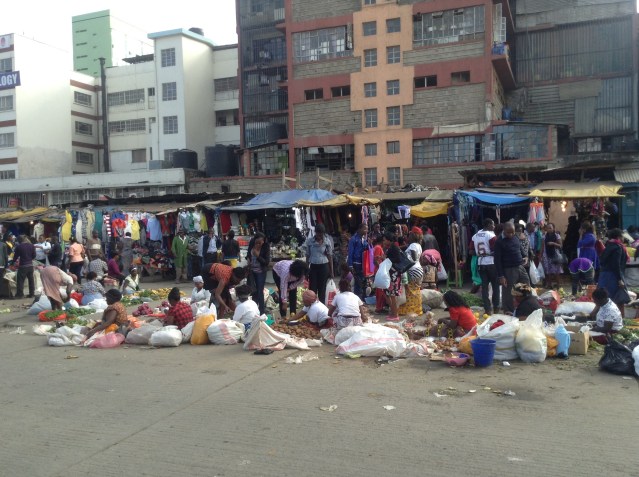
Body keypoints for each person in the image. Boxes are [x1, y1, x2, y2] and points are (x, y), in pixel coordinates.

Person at [494, 222, 529, 314]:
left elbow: (520, 247)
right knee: (509, 292)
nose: (511, 234)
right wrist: (501, 276)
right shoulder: (499, 241)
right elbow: (497, 260)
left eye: (512, 232)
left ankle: (524, 307)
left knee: (525, 286)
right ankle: (508, 311)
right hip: (508, 270)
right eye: (508, 232)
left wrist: (525, 256)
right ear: (504, 231)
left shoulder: (515, 237)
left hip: (520, 267)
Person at [472, 219, 499, 314]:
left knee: (484, 287)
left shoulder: (475, 236)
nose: (494, 226)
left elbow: (471, 251)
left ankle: (487, 309)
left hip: (480, 263)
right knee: (495, 286)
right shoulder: (491, 236)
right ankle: (496, 308)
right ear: (488, 225)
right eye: (493, 224)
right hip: (491, 263)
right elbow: (496, 250)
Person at [305, 223, 334, 305]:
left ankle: (321, 307)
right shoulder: (310, 241)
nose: (319, 235)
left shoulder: (327, 241)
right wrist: (306, 271)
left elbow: (330, 256)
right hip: (313, 267)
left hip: (324, 267)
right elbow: (307, 256)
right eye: (318, 233)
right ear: (315, 232)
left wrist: (331, 271)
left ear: (323, 233)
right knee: (312, 289)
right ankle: (312, 306)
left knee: (322, 289)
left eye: (321, 233)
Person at [598, 229, 628, 306]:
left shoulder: (608, 246)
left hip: (604, 275)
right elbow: (616, 264)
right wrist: (619, 279)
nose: (623, 238)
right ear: (619, 237)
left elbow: (601, 261)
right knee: (615, 299)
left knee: (603, 298)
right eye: (622, 236)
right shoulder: (618, 248)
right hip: (613, 276)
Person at [398, 232, 424, 316]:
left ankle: (410, 310)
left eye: (409, 236)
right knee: (416, 290)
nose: (407, 237)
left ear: (412, 236)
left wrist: (405, 259)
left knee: (409, 291)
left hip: (412, 270)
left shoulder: (412, 245)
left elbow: (414, 258)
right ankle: (417, 310)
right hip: (419, 270)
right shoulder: (419, 245)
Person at [247, 232, 270, 315]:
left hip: (261, 272)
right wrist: (248, 259)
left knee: (260, 291)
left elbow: (266, 262)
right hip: (252, 271)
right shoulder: (252, 243)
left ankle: (262, 312)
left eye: (261, 242)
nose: (260, 244)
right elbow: (248, 254)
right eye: (258, 242)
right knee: (253, 291)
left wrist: (257, 256)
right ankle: (254, 310)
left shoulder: (266, 247)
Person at [347, 223, 368, 300]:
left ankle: (361, 299)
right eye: (365, 229)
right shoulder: (353, 239)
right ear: (360, 229)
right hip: (356, 263)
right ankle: (357, 299)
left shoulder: (363, 239)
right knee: (357, 282)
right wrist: (350, 265)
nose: (366, 230)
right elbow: (350, 252)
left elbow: (366, 248)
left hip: (362, 263)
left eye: (367, 229)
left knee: (362, 282)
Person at [542, 223, 563, 288]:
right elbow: (542, 247)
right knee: (548, 271)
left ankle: (558, 285)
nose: (549, 229)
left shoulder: (557, 236)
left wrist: (553, 243)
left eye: (550, 228)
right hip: (546, 255)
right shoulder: (544, 236)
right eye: (547, 228)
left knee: (556, 270)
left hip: (555, 255)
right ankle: (549, 284)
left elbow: (560, 245)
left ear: (553, 228)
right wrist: (540, 256)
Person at [372, 235, 386, 313]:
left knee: (380, 290)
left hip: (379, 270)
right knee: (380, 290)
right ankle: (379, 307)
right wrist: (381, 268)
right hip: (379, 270)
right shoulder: (378, 247)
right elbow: (376, 260)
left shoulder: (378, 247)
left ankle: (380, 307)